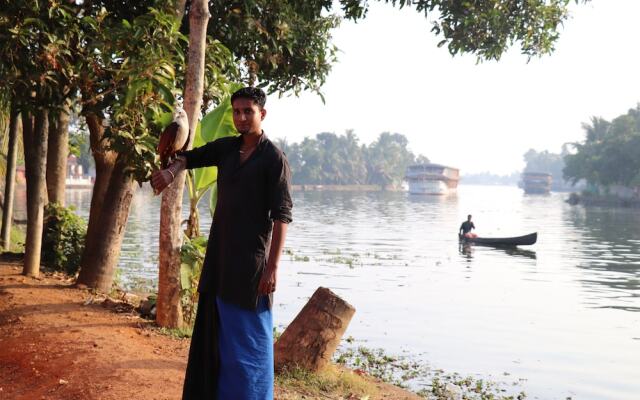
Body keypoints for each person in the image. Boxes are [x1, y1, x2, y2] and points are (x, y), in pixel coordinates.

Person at [151, 87, 292, 400]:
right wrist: (171, 172)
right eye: (237, 111)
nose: (241, 117)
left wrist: (272, 269)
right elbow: (189, 157)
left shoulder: (274, 160)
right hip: (219, 260)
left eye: (248, 112)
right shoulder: (227, 149)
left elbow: (282, 217)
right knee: (219, 341)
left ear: (262, 114)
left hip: (251, 265)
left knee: (251, 343)